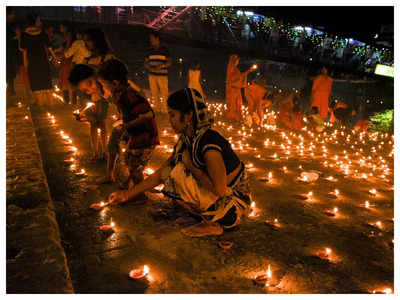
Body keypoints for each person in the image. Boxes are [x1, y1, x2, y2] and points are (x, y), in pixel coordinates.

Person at [108, 88, 251, 237]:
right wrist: (127, 195)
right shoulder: (187, 141)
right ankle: (207, 214)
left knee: (179, 173)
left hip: (234, 202)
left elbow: (220, 190)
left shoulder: (209, 144)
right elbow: (161, 174)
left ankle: (214, 224)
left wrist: (192, 168)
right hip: (216, 196)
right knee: (174, 172)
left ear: (188, 115)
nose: (170, 120)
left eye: (173, 115)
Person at [97, 59, 159, 187]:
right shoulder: (120, 95)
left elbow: (148, 115)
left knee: (135, 167)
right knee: (129, 162)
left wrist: (127, 125)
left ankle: (138, 194)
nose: (103, 88)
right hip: (135, 136)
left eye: (104, 84)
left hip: (145, 138)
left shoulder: (130, 96)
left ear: (115, 83)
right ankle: (130, 185)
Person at [68, 64, 108, 159]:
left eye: (90, 83)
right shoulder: (87, 95)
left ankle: (105, 151)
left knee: (102, 124)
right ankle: (95, 152)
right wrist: (86, 117)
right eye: (85, 90)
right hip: (93, 103)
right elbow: (85, 108)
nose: (90, 90)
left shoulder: (108, 89)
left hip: (102, 102)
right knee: (93, 125)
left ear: (96, 76)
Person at [20, 13, 53, 106]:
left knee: (37, 82)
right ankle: (50, 105)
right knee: (46, 82)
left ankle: (42, 105)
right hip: (42, 60)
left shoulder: (24, 34)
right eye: (38, 20)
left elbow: (24, 50)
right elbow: (49, 47)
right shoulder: (42, 33)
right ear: (33, 22)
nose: (40, 22)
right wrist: (54, 58)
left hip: (33, 61)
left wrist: (25, 62)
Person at [144, 33, 172, 113]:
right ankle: (157, 110)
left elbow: (169, 62)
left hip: (162, 74)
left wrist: (161, 66)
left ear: (157, 39)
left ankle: (165, 110)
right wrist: (149, 67)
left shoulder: (164, 50)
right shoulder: (149, 50)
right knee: (154, 92)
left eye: (152, 39)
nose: (151, 40)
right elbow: (146, 62)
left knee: (164, 92)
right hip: (152, 74)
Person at [225, 54, 256, 121]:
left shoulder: (235, 69)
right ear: (234, 61)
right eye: (237, 60)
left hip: (235, 89)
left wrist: (247, 72)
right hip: (233, 90)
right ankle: (232, 117)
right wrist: (248, 72)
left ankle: (235, 117)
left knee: (237, 103)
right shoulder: (233, 70)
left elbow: (239, 77)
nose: (238, 62)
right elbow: (235, 79)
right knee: (234, 103)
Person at [64, 30, 91, 105]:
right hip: (83, 65)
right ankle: (82, 102)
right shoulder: (85, 43)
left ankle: (74, 102)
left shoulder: (78, 43)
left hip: (76, 65)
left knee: (75, 83)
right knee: (82, 83)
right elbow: (88, 54)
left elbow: (67, 54)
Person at [58, 22, 74, 104]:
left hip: (68, 59)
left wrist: (63, 55)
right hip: (66, 59)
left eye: (61, 27)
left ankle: (68, 100)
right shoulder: (65, 36)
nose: (60, 28)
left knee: (66, 78)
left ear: (66, 27)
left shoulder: (69, 35)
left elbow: (67, 48)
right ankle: (68, 99)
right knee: (65, 78)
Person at [6, 7, 19, 98]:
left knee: (9, 76)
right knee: (8, 75)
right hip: (8, 55)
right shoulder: (7, 27)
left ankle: (10, 93)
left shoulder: (9, 26)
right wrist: (16, 36)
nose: (13, 16)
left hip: (10, 55)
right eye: (12, 14)